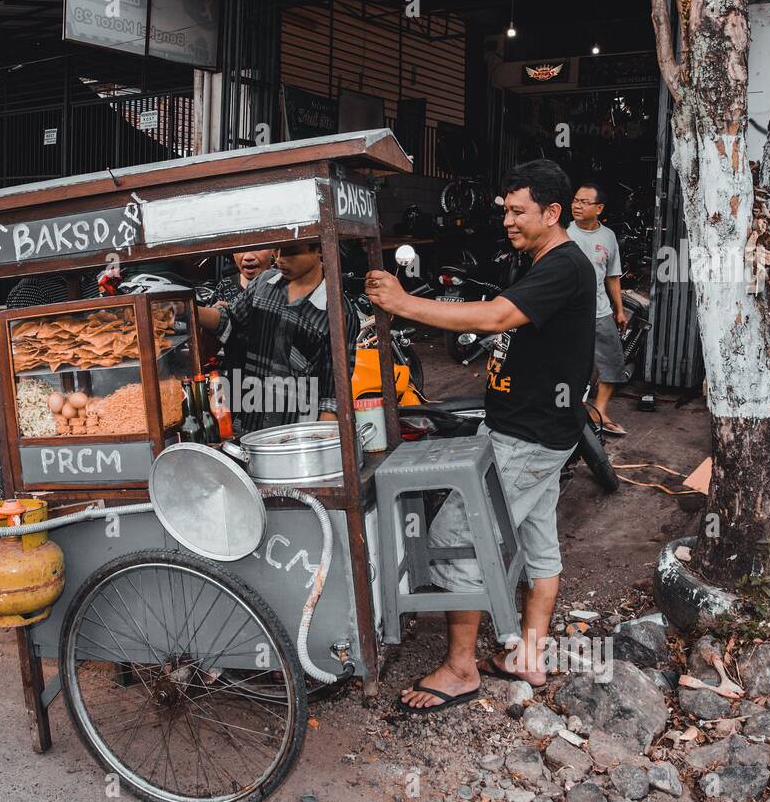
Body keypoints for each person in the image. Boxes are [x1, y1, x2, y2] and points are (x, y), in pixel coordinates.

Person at [365, 159, 595, 711]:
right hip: (541, 433)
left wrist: (402, 305)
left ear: (552, 212)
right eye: (506, 210)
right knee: (538, 543)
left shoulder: (565, 265)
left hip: (528, 436)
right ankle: (528, 657)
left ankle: (460, 669)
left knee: (453, 539)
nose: (509, 221)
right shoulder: (539, 260)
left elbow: (495, 319)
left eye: (519, 211)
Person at [196, 241, 358, 435]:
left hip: (297, 433)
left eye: (291, 252)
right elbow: (228, 320)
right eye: (277, 250)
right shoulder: (264, 283)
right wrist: (188, 309)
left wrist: (319, 442)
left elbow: (333, 395)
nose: (280, 259)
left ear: (319, 250)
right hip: (250, 426)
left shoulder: (340, 312)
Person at [567, 181, 629, 435]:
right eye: (575, 200)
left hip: (600, 312)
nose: (577, 205)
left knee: (613, 364)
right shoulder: (562, 233)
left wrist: (620, 309)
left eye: (584, 202)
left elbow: (612, 276)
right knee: (568, 366)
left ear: (599, 208)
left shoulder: (608, 236)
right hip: (568, 314)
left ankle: (600, 411)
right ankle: (570, 413)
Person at [210, 248, 277, 305]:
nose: (248, 257)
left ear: (273, 250)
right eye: (241, 248)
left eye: (257, 248)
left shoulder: (284, 285)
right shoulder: (224, 286)